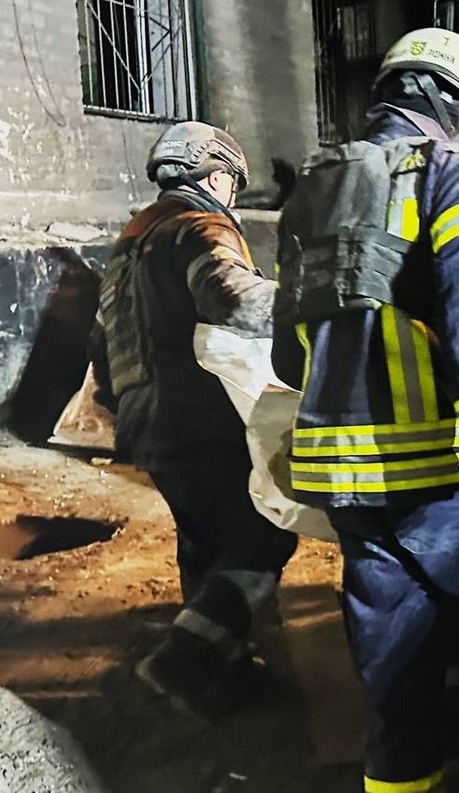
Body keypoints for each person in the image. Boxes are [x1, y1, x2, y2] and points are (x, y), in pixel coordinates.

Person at [272, 28, 459, 793]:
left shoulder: (313, 185)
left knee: (397, 674)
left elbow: (283, 353)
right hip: (442, 475)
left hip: (346, 481)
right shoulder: (456, 170)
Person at [91, 121, 298, 715]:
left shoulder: (127, 245)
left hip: (147, 426)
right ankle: (185, 660)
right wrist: (307, 303)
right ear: (213, 177)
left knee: (203, 543)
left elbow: (98, 343)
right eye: (232, 183)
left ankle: (223, 681)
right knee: (264, 533)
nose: (232, 196)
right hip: (200, 419)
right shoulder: (199, 225)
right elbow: (231, 298)